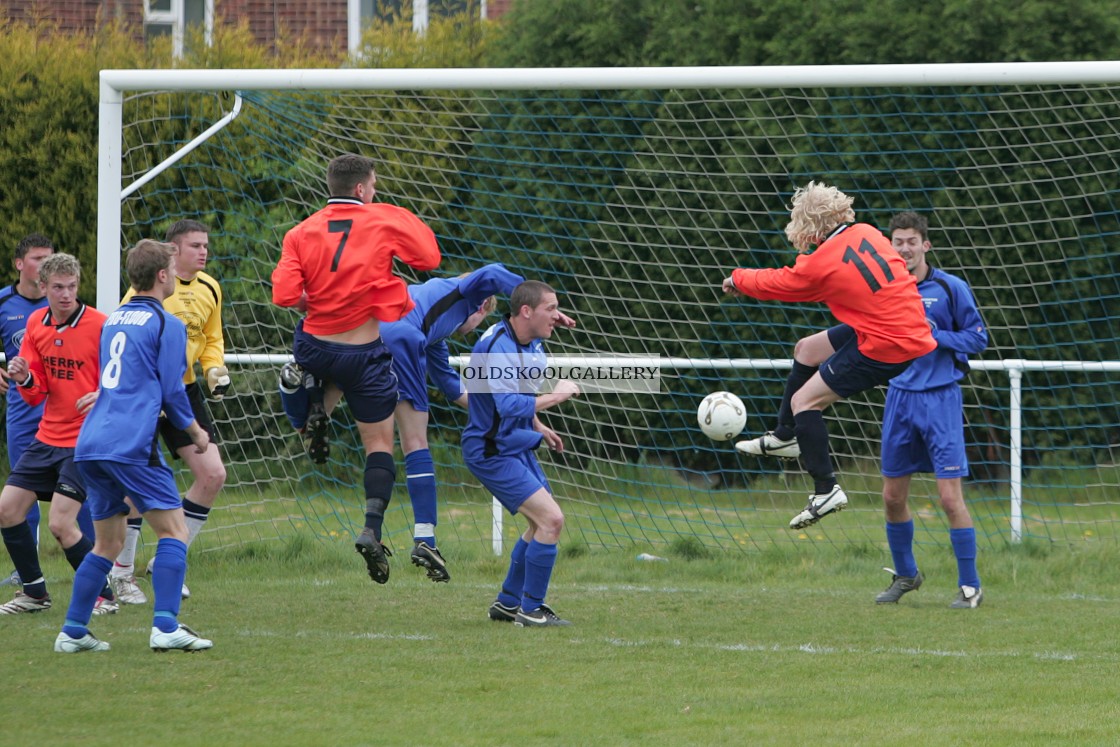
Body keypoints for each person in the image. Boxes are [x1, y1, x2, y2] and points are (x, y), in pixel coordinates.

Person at [281, 263, 533, 582]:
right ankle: (425, 540)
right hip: (401, 334)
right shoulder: (465, 293)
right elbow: (492, 272)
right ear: (483, 307)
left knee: (312, 419)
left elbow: (454, 389)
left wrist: (502, 406)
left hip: (366, 330)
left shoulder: (436, 333)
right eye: (482, 318)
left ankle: (295, 388)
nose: (474, 327)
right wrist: (532, 297)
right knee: (414, 440)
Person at [722, 181, 936, 531]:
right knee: (807, 349)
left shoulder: (821, 263)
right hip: (900, 325)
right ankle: (785, 435)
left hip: (888, 342)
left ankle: (826, 489)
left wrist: (738, 278)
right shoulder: (866, 231)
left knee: (805, 401)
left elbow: (781, 282)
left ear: (807, 225)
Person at [272, 153, 441, 584]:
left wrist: (315, 296)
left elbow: (285, 294)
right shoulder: (382, 219)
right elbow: (429, 259)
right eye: (375, 185)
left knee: (313, 408)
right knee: (379, 443)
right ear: (362, 189)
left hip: (315, 347)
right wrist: (398, 217)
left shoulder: (300, 232)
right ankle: (372, 529)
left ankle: (303, 394)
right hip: (363, 353)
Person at [54, 239, 213, 653]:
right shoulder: (168, 324)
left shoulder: (113, 320)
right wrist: (195, 433)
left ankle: (72, 632)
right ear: (162, 276)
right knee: (175, 531)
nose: (178, 276)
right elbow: (171, 391)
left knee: (107, 543)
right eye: (174, 269)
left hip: (91, 443)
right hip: (130, 443)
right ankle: (165, 626)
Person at [111, 219, 230, 604]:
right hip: (148, 394)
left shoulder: (211, 286)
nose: (204, 251)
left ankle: (168, 561)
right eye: (196, 245)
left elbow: (212, 338)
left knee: (212, 474)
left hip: (185, 390)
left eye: (206, 245)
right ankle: (122, 573)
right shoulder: (142, 296)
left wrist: (213, 367)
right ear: (173, 252)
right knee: (135, 487)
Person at [874, 212, 989, 609]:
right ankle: (906, 575)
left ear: (926, 245)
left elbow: (978, 338)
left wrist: (933, 337)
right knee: (891, 496)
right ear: (889, 247)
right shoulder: (882, 289)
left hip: (941, 399)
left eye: (911, 241)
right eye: (897, 241)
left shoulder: (950, 287)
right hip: (899, 397)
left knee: (948, 499)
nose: (904, 248)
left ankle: (970, 586)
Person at [0, 253, 117, 615]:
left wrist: (104, 393)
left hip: (86, 440)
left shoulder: (101, 325)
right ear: (43, 288)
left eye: (72, 287)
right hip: (48, 436)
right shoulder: (37, 323)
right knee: (7, 510)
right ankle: (35, 594)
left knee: (61, 523)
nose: (66, 294)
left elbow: (126, 376)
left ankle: (104, 595)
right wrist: (23, 377)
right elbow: (38, 390)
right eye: (58, 288)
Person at [468, 280, 580, 627]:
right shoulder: (500, 346)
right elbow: (507, 402)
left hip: (513, 442)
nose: (558, 316)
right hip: (491, 450)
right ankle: (531, 611)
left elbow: (517, 398)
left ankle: (507, 603)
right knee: (551, 520)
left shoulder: (529, 343)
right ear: (526, 311)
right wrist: (558, 396)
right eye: (551, 308)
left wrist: (538, 425)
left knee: (538, 523)